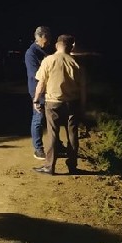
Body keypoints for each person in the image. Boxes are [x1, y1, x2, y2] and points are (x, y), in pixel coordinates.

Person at [32, 34, 86, 175]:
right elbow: (83, 88)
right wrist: (82, 105)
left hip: (53, 103)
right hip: (72, 103)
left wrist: (36, 100)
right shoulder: (76, 63)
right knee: (72, 134)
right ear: (71, 47)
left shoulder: (48, 60)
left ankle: (50, 166)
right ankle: (72, 166)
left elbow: (41, 83)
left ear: (57, 45)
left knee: (53, 134)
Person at [24, 26, 52, 160]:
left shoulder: (45, 50)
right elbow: (35, 75)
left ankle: (57, 145)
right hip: (37, 90)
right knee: (38, 118)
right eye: (45, 41)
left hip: (48, 89)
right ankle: (38, 149)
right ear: (38, 37)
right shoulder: (31, 53)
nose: (47, 43)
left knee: (52, 119)